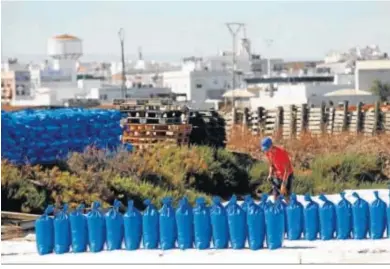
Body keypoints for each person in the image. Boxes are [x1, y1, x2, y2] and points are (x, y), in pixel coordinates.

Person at [261, 136, 294, 203]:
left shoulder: (281, 152)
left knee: (286, 196)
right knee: (276, 197)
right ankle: (278, 210)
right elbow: (271, 165)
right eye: (264, 149)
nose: (265, 151)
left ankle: (291, 210)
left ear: (271, 146)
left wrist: (283, 184)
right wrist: (270, 174)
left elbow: (287, 170)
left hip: (287, 175)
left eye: (267, 149)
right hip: (277, 175)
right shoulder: (268, 153)